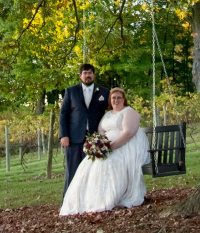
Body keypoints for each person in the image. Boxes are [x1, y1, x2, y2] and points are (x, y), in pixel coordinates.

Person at [60, 87, 151, 215]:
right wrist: (97, 145)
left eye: (119, 97)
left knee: (109, 163)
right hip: (109, 146)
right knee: (88, 165)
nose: (116, 100)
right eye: (113, 98)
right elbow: (101, 132)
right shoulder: (108, 114)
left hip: (126, 146)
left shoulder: (129, 112)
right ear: (110, 100)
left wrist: (110, 147)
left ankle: (109, 198)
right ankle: (87, 200)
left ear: (124, 99)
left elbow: (129, 133)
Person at [59, 64, 110, 196]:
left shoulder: (104, 92)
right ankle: (68, 199)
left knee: (94, 170)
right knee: (73, 170)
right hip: (74, 137)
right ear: (80, 75)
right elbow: (63, 114)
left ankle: (91, 199)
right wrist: (63, 135)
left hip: (95, 138)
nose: (88, 75)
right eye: (85, 73)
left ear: (94, 75)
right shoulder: (71, 91)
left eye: (90, 73)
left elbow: (110, 112)